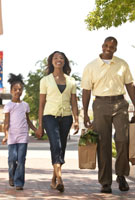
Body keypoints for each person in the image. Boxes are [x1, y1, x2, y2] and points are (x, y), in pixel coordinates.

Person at [81, 37, 135, 193]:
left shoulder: (122, 64)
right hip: (100, 105)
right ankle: (105, 182)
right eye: (106, 45)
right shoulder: (91, 67)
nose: (108, 48)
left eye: (112, 46)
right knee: (103, 143)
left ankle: (121, 175)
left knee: (123, 140)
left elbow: (130, 86)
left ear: (115, 49)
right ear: (102, 46)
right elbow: (86, 91)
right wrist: (85, 113)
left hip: (120, 104)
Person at [36, 51, 79, 192]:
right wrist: (40, 125)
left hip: (66, 117)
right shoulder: (45, 80)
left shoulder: (71, 80)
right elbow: (41, 104)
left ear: (64, 61)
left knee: (62, 147)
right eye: (55, 58)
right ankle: (60, 178)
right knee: (56, 144)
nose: (58, 60)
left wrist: (76, 120)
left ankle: (54, 178)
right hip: (49, 116)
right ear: (51, 61)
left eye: (61, 58)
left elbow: (74, 102)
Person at [2, 73, 37, 190]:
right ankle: (12, 176)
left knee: (21, 159)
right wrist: (6, 135)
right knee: (12, 159)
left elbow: (28, 121)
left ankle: (19, 182)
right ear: (11, 91)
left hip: (23, 136)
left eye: (20, 89)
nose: (18, 91)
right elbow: (6, 122)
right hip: (12, 137)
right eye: (15, 89)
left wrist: (36, 130)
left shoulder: (25, 105)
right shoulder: (8, 106)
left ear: (22, 91)